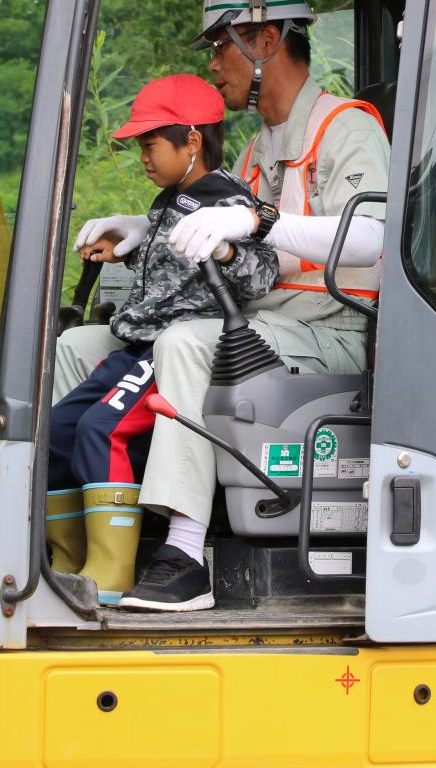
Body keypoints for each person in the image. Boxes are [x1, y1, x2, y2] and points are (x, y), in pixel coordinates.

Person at [68, 0, 390, 612]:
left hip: (331, 331)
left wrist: (259, 220)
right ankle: (79, 539)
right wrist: (139, 228)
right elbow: (211, 222)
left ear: (266, 40)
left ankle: (184, 556)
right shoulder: (252, 152)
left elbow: (375, 239)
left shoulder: (345, 128)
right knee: (79, 344)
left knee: (185, 342)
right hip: (257, 324)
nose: (215, 66)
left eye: (220, 46)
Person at [46, 73, 278, 605]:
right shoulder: (169, 200)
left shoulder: (226, 201)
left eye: (151, 144)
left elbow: (262, 273)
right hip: (137, 341)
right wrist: (127, 249)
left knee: (101, 428)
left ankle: (112, 567)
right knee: (59, 425)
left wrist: (225, 249)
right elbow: (168, 267)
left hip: (167, 347)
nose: (144, 156)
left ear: (192, 140)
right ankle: (67, 557)